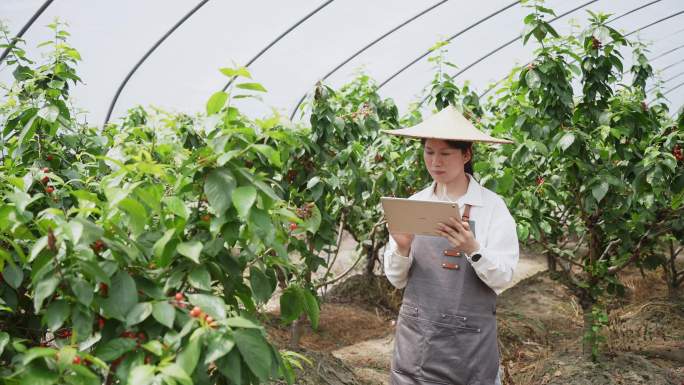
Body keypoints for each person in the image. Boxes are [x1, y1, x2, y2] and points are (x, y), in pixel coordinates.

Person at [382, 106, 519, 385]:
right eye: (429, 152)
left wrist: (473, 249)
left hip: (469, 349)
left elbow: (504, 278)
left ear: (466, 154)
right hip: (416, 345)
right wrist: (403, 248)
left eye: (445, 154)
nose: (436, 162)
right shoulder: (414, 205)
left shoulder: (491, 207)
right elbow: (396, 281)